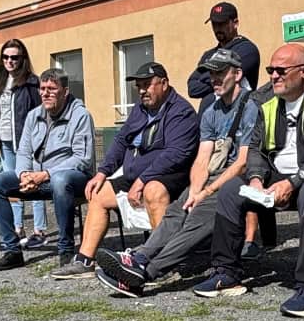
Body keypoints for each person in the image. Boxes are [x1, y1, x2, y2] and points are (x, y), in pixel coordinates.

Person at [191, 45, 304, 317]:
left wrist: (294, 181)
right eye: (270, 70)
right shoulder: (266, 100)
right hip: (281, 177)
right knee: (230, 189)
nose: (274, 76)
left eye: (281, 70)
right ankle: (226, 273)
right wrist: (255, 179)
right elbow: (257, 149)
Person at [95, 47, 259, 295]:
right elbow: (203, 158)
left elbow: (243, 162)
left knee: (194, 223)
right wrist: (194, 191)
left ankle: (145, 274)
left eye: (219, 73)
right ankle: (139, 258)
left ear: (237, 74)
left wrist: (207, 192)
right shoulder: (212, 110)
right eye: (210, 74)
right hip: (214, 176)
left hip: (240, 179)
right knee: (177, 212)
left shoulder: (250, 106)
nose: (213, 79)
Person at [53, 63, 199, 280]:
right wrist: (102, 173)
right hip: (136, 175)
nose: (142, 91)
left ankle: (164, 264)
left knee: (153, 191)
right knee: (98, 194)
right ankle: (85, 261)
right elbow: (121, 142)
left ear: (164, 84)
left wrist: (143, 180)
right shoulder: (140, 110)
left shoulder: (181, 112)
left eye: (147, 85)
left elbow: (176, 154)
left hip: (170, 176)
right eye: (138, 86)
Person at [0, 68, 94, 271]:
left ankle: (66, 250)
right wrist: (24, 175)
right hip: (37, 177)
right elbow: (24, 153)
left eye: (52, 89)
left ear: (65, 91)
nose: (45, 93)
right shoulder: (33, 116)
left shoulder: (81, 116)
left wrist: (45, 175)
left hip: (74, 178)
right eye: (42, 89)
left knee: (61, 181)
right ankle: (12, 250)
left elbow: (82, 159)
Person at [0, 39, 49, 246]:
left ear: (22, 59)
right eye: (6, 57)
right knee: (11, 185)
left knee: (31, 184)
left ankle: (39, 230)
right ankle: (17, 228)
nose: (10, 61)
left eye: (14, 57)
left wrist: (39, 140)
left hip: (27, 144)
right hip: (5, 141)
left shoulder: (33, 83)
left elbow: (41, 115)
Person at [185, 1, 261, 98]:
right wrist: (218, 78)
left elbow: (227, 78)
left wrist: (205, 78)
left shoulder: (247, 50)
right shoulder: (208, 55)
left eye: (222, 24)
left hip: (237, 110)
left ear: (235, 23)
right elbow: (192, 89)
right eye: (214, 24)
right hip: (209, 112)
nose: (217, 28)